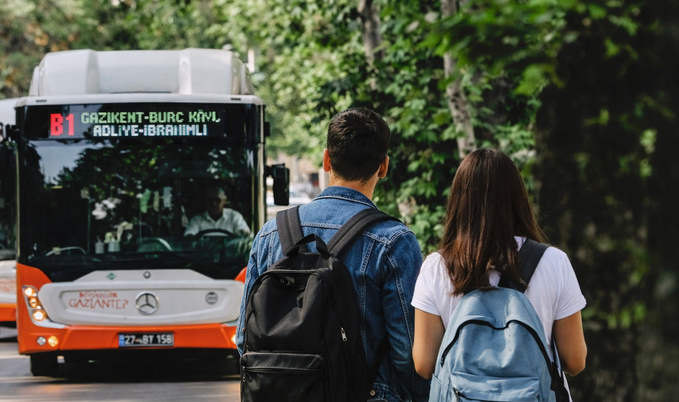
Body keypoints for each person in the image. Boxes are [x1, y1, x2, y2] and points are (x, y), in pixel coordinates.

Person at [237, 108, 429, 402]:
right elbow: (407, 350)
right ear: (383, 167)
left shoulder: (269, 235)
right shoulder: (393, 241)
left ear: (326, 160)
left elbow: (244, 337)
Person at [411, 148, 587, 398]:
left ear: (459, 201)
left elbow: (424, 364)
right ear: (518, 198)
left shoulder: (437, 267)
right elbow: (575, 360)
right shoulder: (553, 262)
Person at [183, 186, 251, 237]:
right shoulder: (197, 220)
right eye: (210, 200)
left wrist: (244, 232)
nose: (213, 204)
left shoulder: (234, 216)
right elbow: (189, 235)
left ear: (224, 201)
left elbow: (245, 233)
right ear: (205, 201)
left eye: (217, 200)